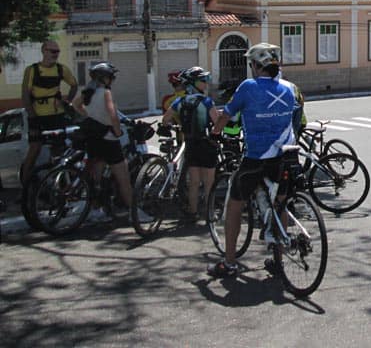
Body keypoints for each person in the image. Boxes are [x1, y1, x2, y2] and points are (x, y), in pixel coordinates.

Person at [207, 43, 300, 278]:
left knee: (234, 205)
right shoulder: (289, 88)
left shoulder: (248, 87)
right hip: (286, 155)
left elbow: (227, 115)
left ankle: (229, 262)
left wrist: (215, 133)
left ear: (257, 65)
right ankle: (278, 260)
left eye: (252, 64)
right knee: (280, 204)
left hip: (257, 157)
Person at [71, 62, 149, 223]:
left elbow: (75, 105)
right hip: (108, 139)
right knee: (123, 178)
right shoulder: (106, 93)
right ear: (105, 78)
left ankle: (96, 210)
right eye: (111, 77)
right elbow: (113, 115)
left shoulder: (87, 92)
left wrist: (89, 116)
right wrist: (118, 132)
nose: (112, 80)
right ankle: (134, 213)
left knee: (96, 179)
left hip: (93, 138)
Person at [162, 66, 219, 222]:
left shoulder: (179, 101)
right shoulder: (206, 101)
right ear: (194, 83)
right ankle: (209, 213)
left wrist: (175, 126)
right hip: (207, 145)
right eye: (203, 80)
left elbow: (165, 120)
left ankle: (192, 212)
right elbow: (217, 122)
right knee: (208, 181)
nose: (206, 83)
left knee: (194, 181)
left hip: (190, 144)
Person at [20, 40, 78, 183]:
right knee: (34, 150)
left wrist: (66, 102)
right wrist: (32, 116)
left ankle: (58, 186)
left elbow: (74, 85)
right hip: (37, 116)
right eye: (52, 51)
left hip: (56, 116)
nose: (55, 54)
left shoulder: (61, 69)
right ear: (44, 51)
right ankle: (25, 186)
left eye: (57, 51)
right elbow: (25, 95)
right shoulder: (32, 70)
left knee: (58, 152)